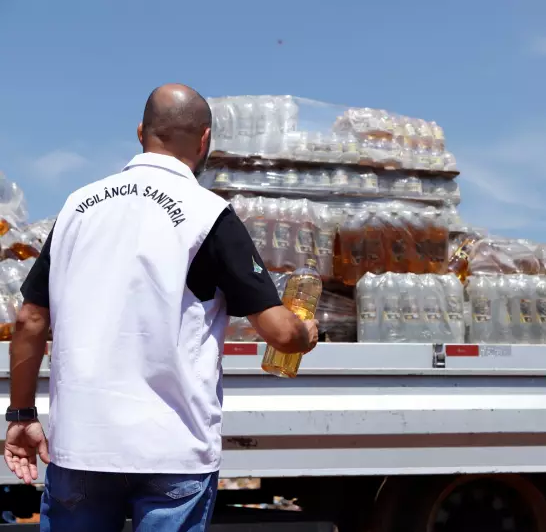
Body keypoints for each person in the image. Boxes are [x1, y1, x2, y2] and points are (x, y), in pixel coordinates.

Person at [5, 84, 319, 531]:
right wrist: (307, 330)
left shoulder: (78, 207)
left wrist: (20, 414)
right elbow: (281, 333)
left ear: (140, 133)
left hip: (82, 446)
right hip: (173, 451)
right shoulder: (209, 214)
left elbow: (30, 319)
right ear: (205, 140)